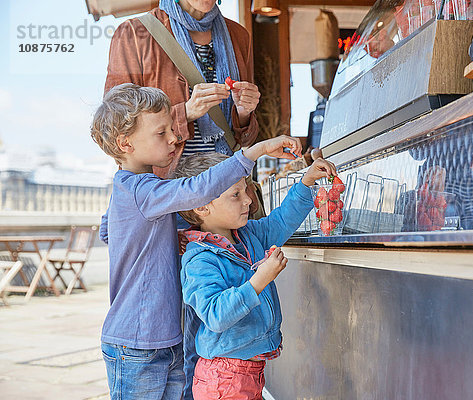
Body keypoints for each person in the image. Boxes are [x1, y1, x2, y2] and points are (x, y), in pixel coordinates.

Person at [91, 83, 302, 400]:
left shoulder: (138, 191)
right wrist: (252, 152)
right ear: (125, 144)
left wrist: (165, 235)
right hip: (137, 341)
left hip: (161, 337)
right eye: (161, 133)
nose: (175, 138)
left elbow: (109, 230)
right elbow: (198, 191)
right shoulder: (142, 191)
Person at [175, 153, 336, 399]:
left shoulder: (248, 235)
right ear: (201, 207)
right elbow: (216, 314)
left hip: (247, 374)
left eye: (246, 190)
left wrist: (307, 182)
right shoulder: (200, 260)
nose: (248, 200)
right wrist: (260, 280)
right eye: (235, 194)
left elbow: (282, 220)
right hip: (224, 378)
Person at [105, 0, 260, 178]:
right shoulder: (133, 33)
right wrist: (185, 113)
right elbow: (114, 126)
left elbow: (245, 139)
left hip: (224, 186)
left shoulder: (239, 36)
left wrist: (243, 114)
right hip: (165, 188)